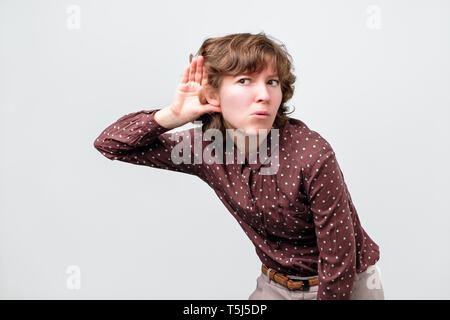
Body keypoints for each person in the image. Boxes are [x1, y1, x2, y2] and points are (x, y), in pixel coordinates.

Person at [93, 32, 385, 300]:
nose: (264, 95)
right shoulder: (205, 149)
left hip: (345, 285)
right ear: (212, 95)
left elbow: (339, 263)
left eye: (272, 82)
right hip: (274, 286)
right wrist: (171, 115)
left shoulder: (311, 153)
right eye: (244, 80)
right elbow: (110, 144)